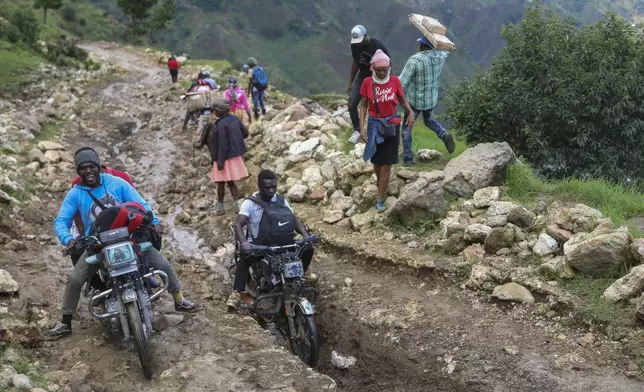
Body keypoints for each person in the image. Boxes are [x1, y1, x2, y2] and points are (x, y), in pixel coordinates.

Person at [44, 148, 202, 340]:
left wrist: (154, 222)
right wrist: (68, 239)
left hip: (129, 238)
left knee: (163, 265)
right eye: (83, 168)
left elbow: (141, 203)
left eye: (91, 166)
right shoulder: (75, 194)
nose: (88, 171)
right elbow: (61, 220)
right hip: (97, 245)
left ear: (98, 166)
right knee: (75, 279)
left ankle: (179, 300)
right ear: (78, 171)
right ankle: (65, 322)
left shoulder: (117, 183)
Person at [227, 170, 316, 309]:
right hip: (259, 246)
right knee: (245, 257)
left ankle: (300, 274)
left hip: (282, 243)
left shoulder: (281, 200)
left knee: (308, 249)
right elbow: (238, 224)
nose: (271, 190)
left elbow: (295, 221)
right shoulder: (250, 203)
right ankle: (238, 292)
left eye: (273, 187)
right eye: (267, 187)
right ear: (259, 186)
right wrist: (244, 243)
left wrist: (306, 236)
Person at [359, 49, 414, 213]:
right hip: (374, 126)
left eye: (384, 70)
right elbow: (363, 105)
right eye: (378, 70)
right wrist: (361, 127)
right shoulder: (367, 83)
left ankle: (380, 197)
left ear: (389, 68)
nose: (382, 73)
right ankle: (381, 184)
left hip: (391, 125)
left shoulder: (395, 81)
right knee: (376, 162)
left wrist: (410, 112)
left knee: (386, 165)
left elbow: (402, 101)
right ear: (373, 69)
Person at [399, 36, 455, 165]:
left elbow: (401, 84)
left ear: (422, 45)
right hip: (430, 99)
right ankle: (443, 134)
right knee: (429, 120)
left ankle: (407, 159)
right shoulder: (440, 56)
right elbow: (449, 48)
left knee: (407, 129)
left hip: (415, 101)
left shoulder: (415, 60)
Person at [194, 98, 249, 215]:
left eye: (215, 110)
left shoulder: (219, 125)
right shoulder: (234, 118)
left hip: (222, 158)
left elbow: (223, 145)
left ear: (220, 111)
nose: (214, 113)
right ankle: (237, 206)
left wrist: (220, 162)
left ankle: (220, 208)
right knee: (231, 182)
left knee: (221, 183)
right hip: (234, 156)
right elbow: (245, 133)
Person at [347, 25, 391, 144]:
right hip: (362, 77)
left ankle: (381, 131)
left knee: (377, 105)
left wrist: (385, 83)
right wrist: (350, 82)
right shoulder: (354, 45)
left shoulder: (377, 46)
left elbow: (388, 65)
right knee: (351, 104)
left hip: (376, 79)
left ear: (366, 36)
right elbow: (356, 63)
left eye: (360, 41)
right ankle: (357, 130)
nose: (358, 44)